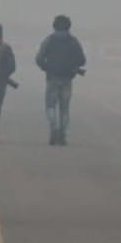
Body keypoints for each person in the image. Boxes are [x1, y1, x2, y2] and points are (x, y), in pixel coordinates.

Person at [36, 14, 86, 146]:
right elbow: (82, 60)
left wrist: (47, 67)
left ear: (54, 26)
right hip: (67, 78)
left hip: (52, 78)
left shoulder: (49, 40)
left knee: (50, 106)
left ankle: (53, 128)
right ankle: (62, 134)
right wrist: (72, 66)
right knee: (64, 108)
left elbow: (39, 58)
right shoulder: (73, 41)